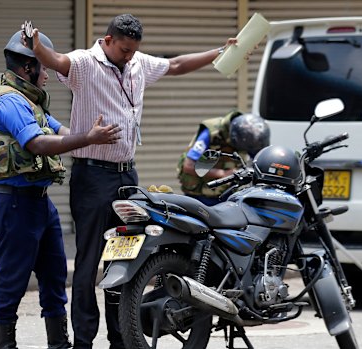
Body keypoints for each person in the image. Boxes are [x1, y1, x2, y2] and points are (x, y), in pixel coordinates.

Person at [27, 14, 238, 349]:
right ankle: (83, 341)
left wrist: (217, 51)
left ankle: (120, 338)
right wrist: (37, 45)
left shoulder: (138, 62)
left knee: (124, 259)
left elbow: (177, 65)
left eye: (133, 51)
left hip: (128, 175)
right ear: (108, 40)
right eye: (124, 50)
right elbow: (56, 60)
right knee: (89, 261)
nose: (129, 56)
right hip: (93, 176)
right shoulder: (85, 64)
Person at [0, 25, 122, 349]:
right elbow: (38, 144)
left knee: (55, 278)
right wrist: (87, 138)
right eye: (43, 67)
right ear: (28, 67)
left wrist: (96, 139)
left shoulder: (33, 104)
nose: (47, 75)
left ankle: (59, 345)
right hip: (15, 203)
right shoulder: (8, 102)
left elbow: (64, 132)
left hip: (39, 204)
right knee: (12, 280)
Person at [177, 111, 270, 206]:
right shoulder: (211, 132)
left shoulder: (248, 137)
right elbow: (188, 166)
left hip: (226, 194)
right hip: (199, 194)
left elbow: (257, 160)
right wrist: (223, 174)